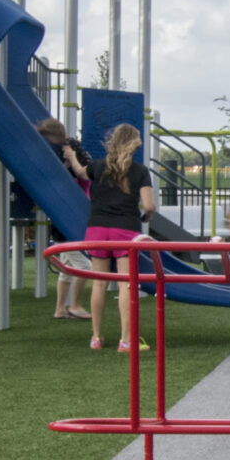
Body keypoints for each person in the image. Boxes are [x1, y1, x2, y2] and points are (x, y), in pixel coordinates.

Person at [82, 122, 156, 351]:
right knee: (126, 285)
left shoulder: (97, 166)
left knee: (99, 283)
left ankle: (96, 337)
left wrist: (71, 157)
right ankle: (126, 340)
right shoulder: (140, 171)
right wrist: (147, 216)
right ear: (135, 144)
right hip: (125, 229)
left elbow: (79, 171)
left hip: (97, 229)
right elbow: (149, 204)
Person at [37, 117, 93, 320]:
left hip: (69, 210)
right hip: (70, 214)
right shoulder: (64, 151)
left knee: (67, 268)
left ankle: (60, 309)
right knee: (85, 266)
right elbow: (85, 174)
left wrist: (70, 159)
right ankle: (75, 305)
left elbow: (86, 173)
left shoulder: (70, 147)